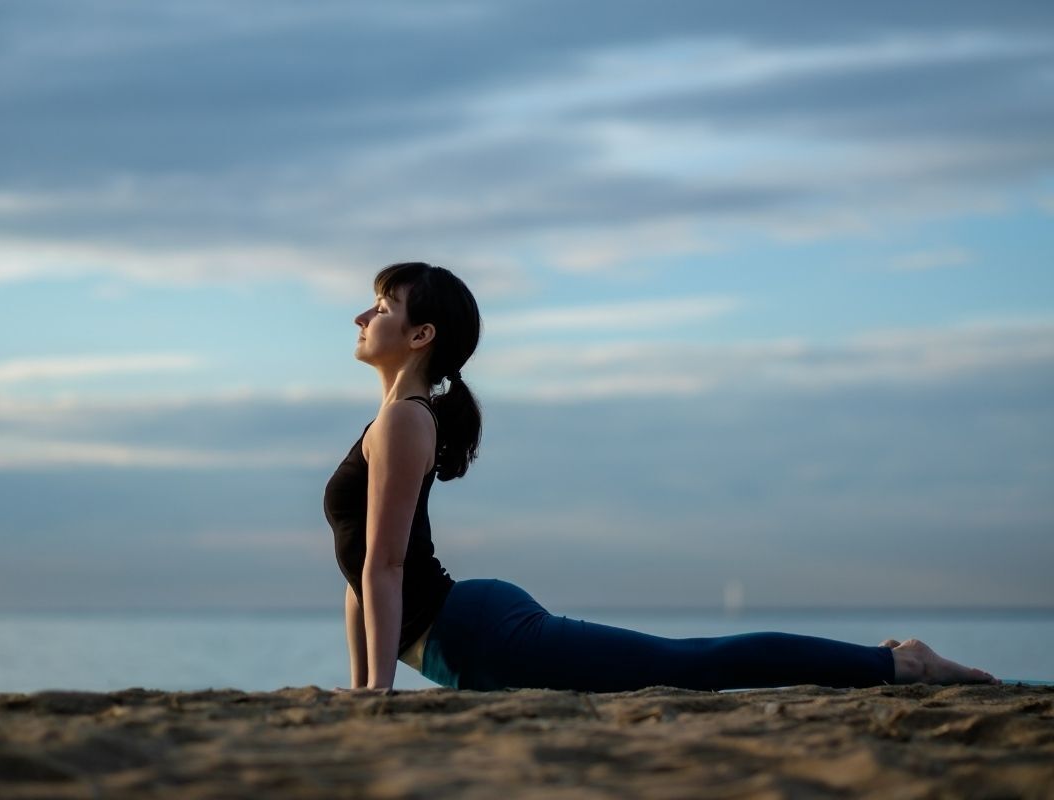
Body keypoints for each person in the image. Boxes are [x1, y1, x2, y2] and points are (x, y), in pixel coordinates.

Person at [323, 261, 1001, 693]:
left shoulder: (407, 421)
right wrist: (364, 689)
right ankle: (884, 660)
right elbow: (363, 573)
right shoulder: (390, 423)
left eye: (381, 305)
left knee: (693, 665)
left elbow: (385, 568)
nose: (363, 315)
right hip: (466, 629)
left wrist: (377, 696)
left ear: (421, 336)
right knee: (689, 662)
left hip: (481, 638)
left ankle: (900, 664)